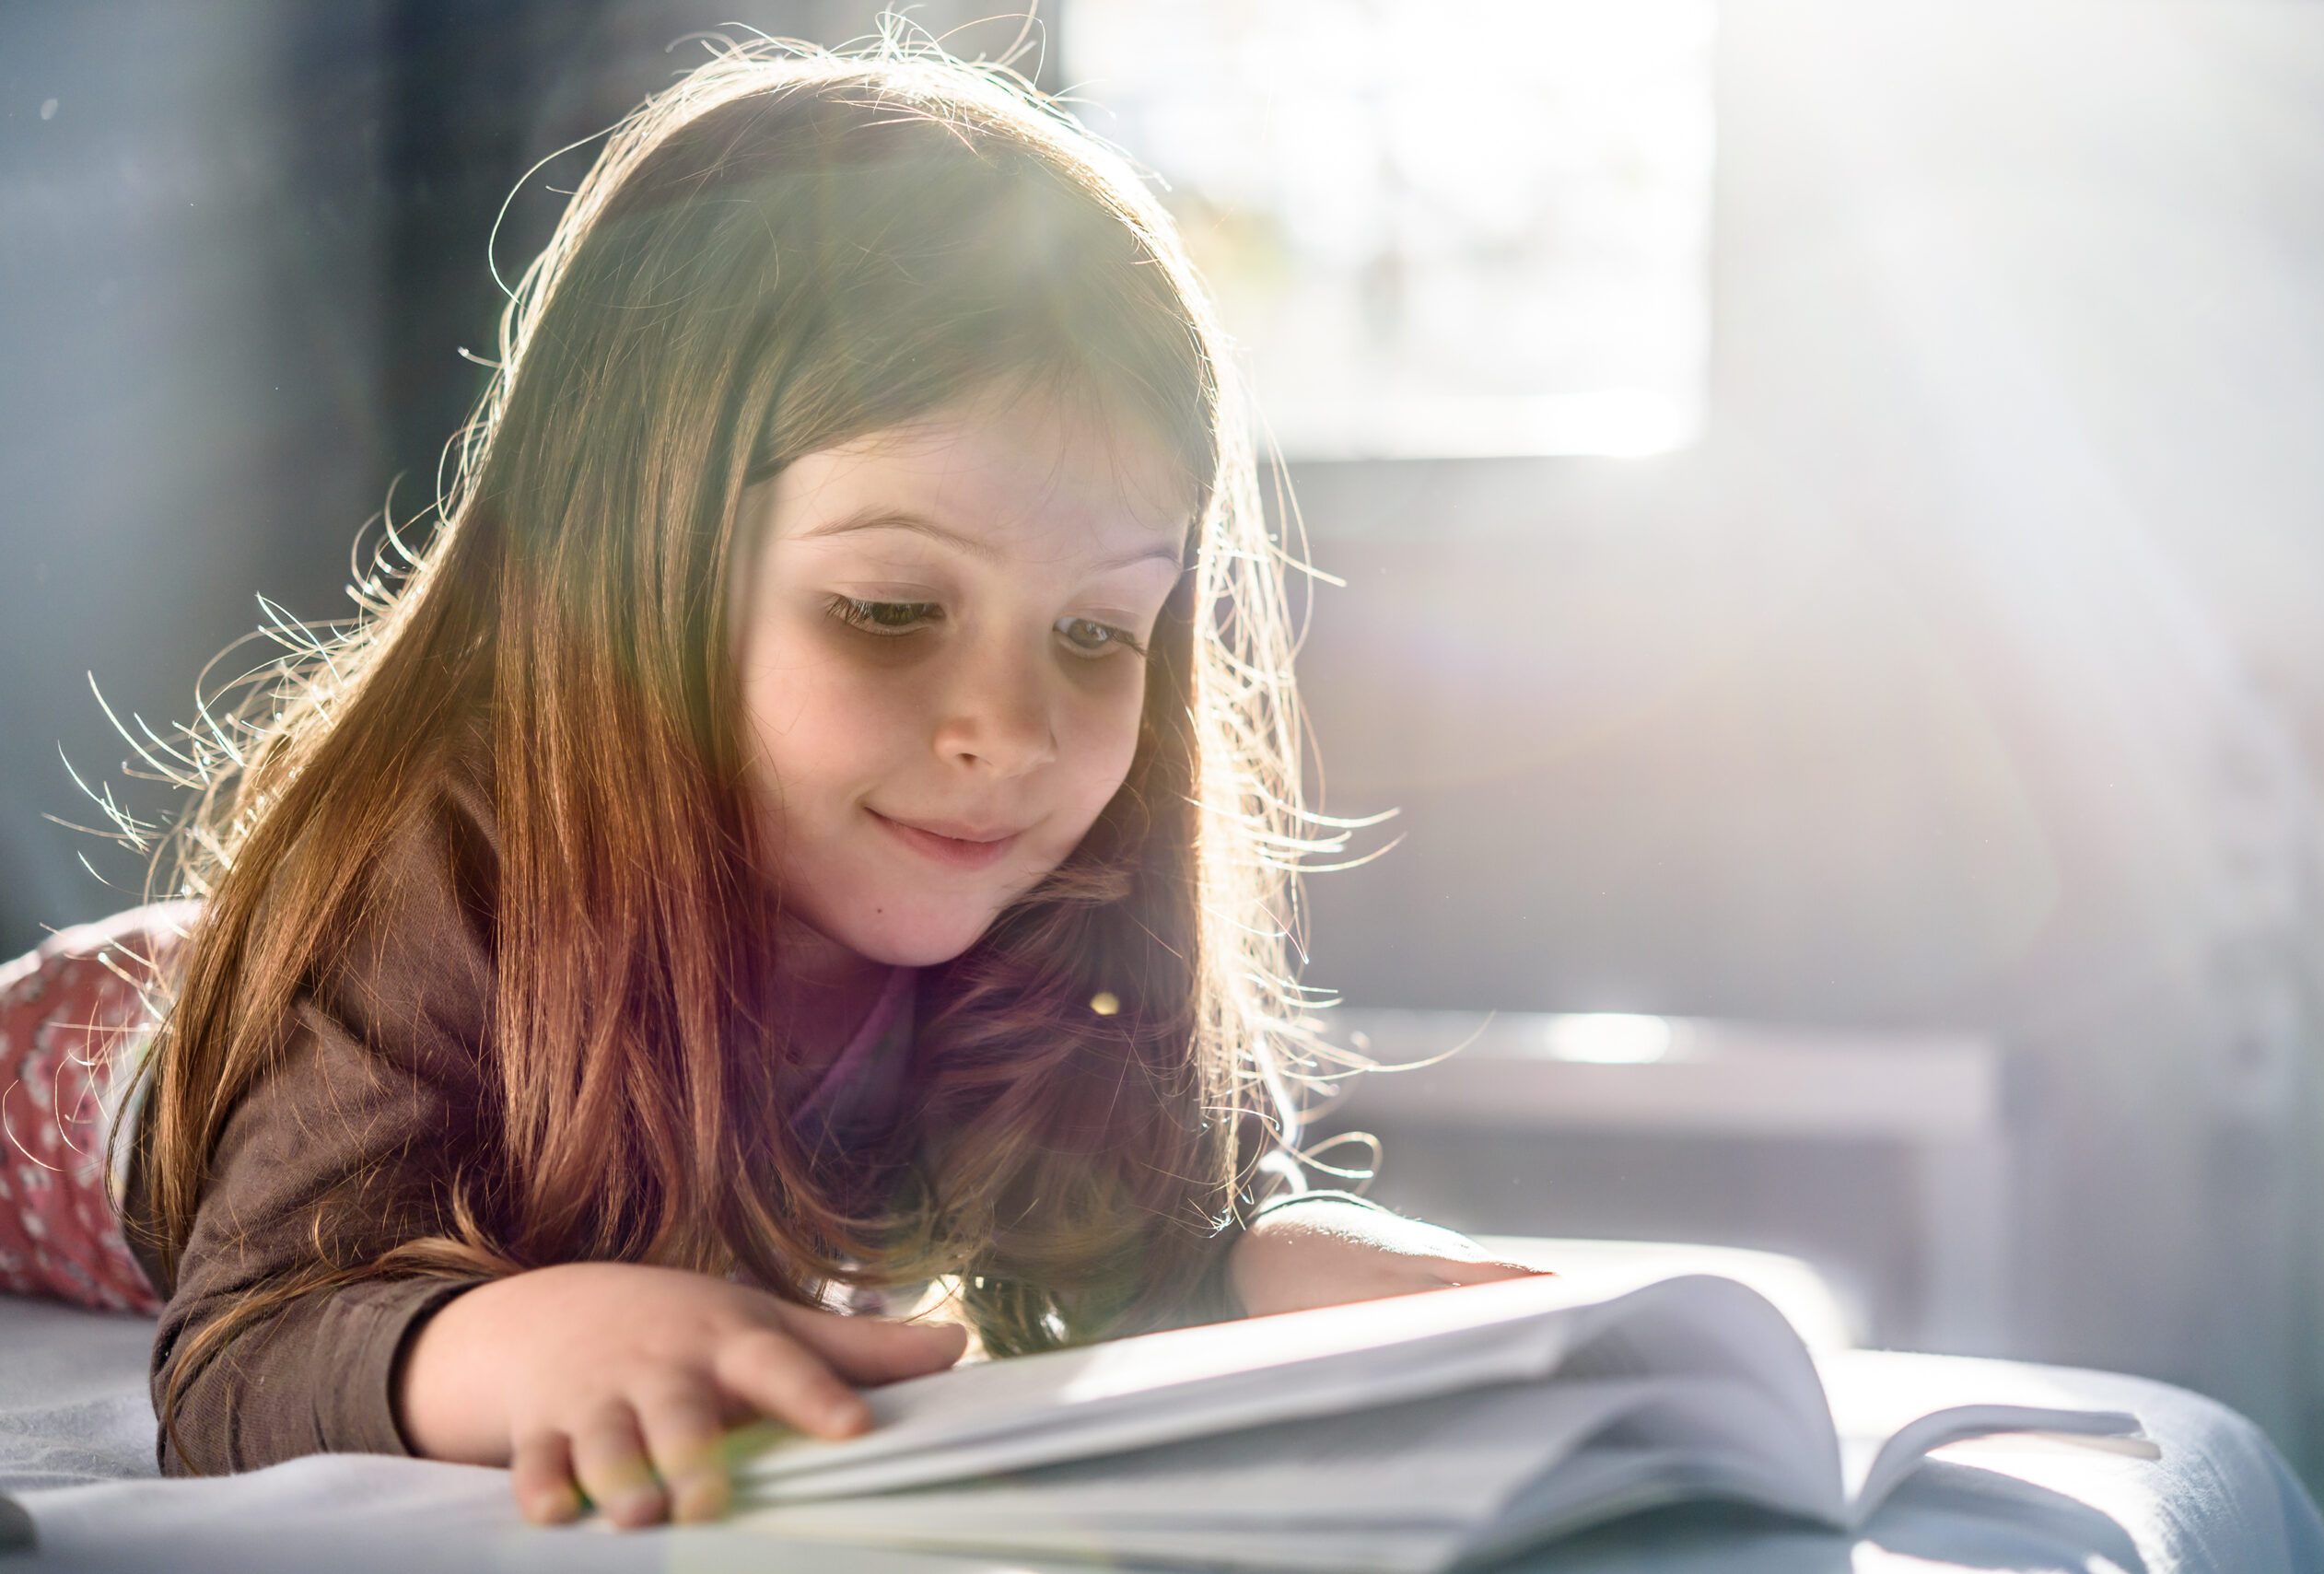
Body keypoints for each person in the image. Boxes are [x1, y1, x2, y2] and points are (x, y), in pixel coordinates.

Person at [36, 32, 1542, 1529]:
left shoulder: (1042, 885)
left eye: (1097, 630)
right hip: (93, 1044)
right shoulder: (439, 870)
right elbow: (244, 1351)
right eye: (889, 610)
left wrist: (1315, 1253)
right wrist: (528, 1336)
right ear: (630, 581)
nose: (1011, 733)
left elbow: (1169, 1221)